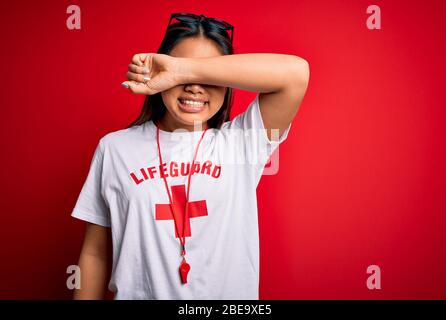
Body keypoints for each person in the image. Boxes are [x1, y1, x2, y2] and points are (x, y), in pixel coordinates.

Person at [71, 12, 310, 300]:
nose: (195, 87)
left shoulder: (242, 143)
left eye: (208, 76)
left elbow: (296, 73)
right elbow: (95, 253)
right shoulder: (115, 149)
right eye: (181, 74)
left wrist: (185, 69)